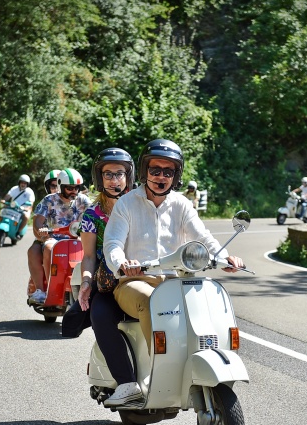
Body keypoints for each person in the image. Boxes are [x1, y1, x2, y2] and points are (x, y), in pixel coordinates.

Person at [102, 139, 244, 406]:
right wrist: (122, 262)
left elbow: (203, 237)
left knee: (204, 305)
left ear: (176, 175)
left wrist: (225, 257)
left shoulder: (182, 204)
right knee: (151, 302)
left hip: (177, 281)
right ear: (144, 171)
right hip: (134, 280)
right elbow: (112, 244)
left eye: (168, 171)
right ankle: (156, 373)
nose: (161, 176)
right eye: (155, 170)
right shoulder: (126, 204)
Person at [64, 148, 134, 344]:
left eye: (119, 174)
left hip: (141, 270)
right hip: (107, 275)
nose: (114, 180)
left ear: (128, 176)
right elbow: (88, 256)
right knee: (96, 315)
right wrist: (86, 282)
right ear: (99, 178)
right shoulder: (92, 214)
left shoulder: (140, 205)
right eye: (108, 174)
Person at [28, 168, 92, 304]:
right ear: (61, 186)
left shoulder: (83, 200)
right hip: (54, 238)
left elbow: (95, 215)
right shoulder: (49, 200)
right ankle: (46, 290)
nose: (74, 191)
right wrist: (41, 229)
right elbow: (38, 221)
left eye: (77, 188)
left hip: (78, 238)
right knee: (49, 248)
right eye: (69, 188)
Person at [2, 174, 35, 239]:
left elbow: (31, 203)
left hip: (23, 209)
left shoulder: (30, 192)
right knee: (3, 209)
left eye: (25, 183)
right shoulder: (14, 189)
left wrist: (27, 208)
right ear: (19, 182)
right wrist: (4, 200)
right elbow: (8, 196)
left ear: (27, 184)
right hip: (13, 207)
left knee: (26, 217)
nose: (23, 184)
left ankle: (18, 232)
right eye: (22, 182)